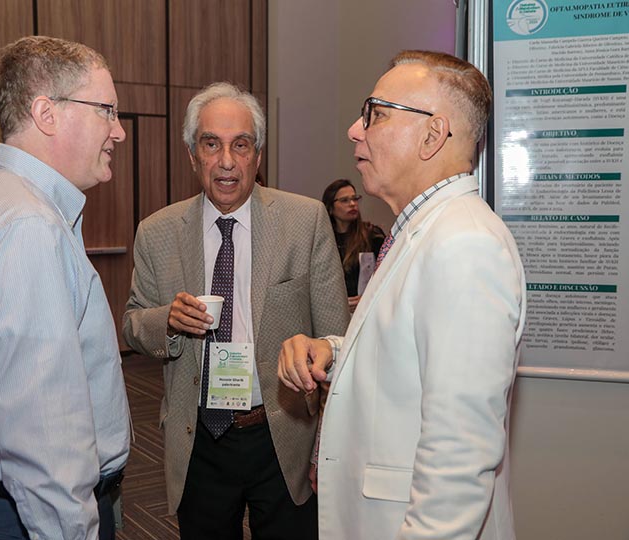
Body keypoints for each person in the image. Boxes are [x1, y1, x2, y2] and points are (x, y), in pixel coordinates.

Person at [278, 50, 526, 539]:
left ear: (433, 135)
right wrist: (333, 350)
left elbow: (458, 460)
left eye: (375, 114)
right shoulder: (421, 231)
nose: (354, 129)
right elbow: (411, 355)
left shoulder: (465, 245)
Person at [0, 36, 131, 540]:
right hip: (27, 518)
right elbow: (44, 437)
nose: (119, 131)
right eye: (106, 110)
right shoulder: (27, 226)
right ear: (46, 113)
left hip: (0, 505)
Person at [123, 82, 349, 540]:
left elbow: (337, 338)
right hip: (199, 438)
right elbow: (132, 324)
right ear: (192, 155)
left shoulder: (304, 221)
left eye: (240, 145)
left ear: (257, 156)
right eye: (212, 144)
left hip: (283, 435)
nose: (226, 161)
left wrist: (326, 449)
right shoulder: (157, 232)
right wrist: (167, 321)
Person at [321, 179, 386, 311]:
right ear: (330, 208)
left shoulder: (372, 235)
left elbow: (387, 274)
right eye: (344, 200)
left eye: (355, 199)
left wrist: (368, 298)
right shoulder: (323, 239)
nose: (352, 204)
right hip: (333, 309)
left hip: (367, 307)